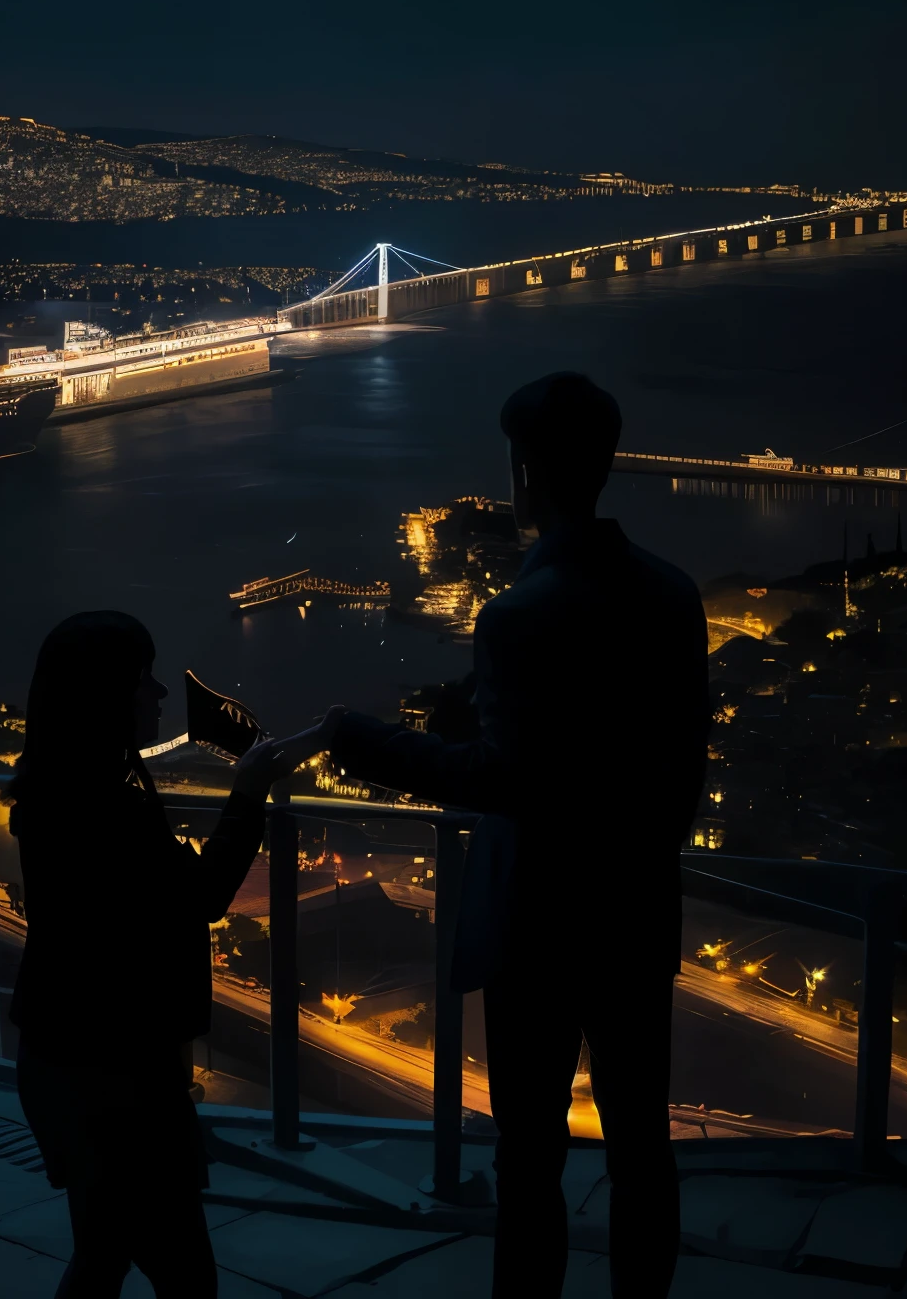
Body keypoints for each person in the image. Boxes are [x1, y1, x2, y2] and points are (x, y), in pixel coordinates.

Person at [326, 373, 709, 1299]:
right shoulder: (673, 594)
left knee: (530, 1157)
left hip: (536, 922)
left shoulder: (517, 617)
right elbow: (672, 768)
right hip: (636, 908)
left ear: (524, 473)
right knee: (641, 1148)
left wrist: (358, 738)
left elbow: (504, 779)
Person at [6, 611, 337, 1299]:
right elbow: (202, 896)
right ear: (105, 697)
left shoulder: (48, 795)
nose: (158, 695)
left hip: (62, 1059)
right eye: (142, 679)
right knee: (182, 1274)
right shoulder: (106, 810)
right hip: (119, 1079)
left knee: (101, 1254)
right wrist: (246, 796)